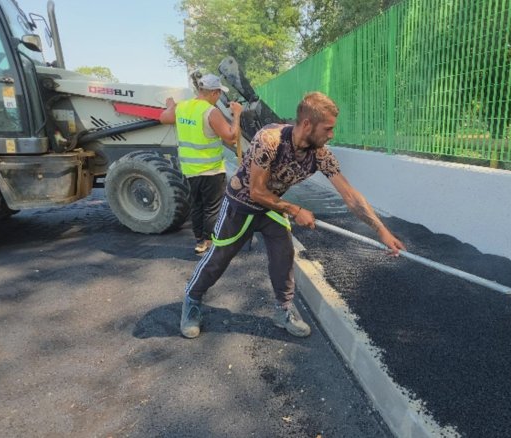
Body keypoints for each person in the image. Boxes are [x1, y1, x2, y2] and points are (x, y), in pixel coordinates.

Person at [179, 91, 405, 339]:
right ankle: (192, 300)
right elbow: (256, 192)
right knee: (218, 259)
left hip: (271, 209)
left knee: (284, 255)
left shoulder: (320, 154)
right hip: (240, 206)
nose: (332, 135)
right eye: (328, 129)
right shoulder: (269, 140)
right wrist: (296, 210)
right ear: (307, 124)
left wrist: (381, 230)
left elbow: (350, 195)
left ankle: (283, 310)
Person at [160, 71, 243, 255]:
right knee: (212, 208)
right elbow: (231, 137)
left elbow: (164, 118)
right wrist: (237, 114)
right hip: (211, 170)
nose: (219, 96)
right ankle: (211, 242)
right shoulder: (210, 111)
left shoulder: (182, 107)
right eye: (219, 93)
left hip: (190, 170)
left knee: (197, 206)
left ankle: (199, 242)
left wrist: (170, 105)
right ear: (213, 92)